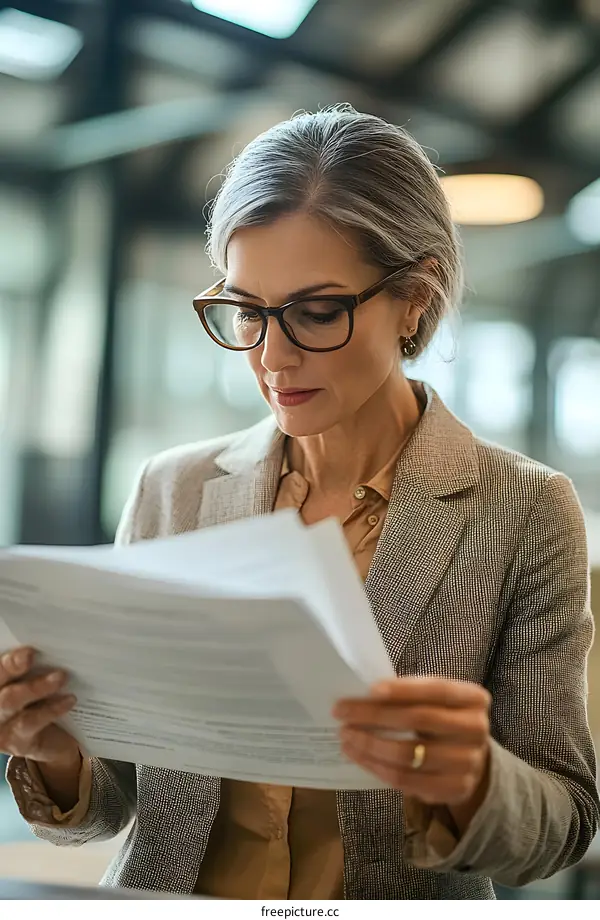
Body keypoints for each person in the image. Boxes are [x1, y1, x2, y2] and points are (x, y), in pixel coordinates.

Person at [1, 105, 598, 900]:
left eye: (317, 312)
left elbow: (566, 818)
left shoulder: (523, 509)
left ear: (414, 296)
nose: (273, 356)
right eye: (248, 311)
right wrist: (54, 749)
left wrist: (480, 782)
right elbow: (108, 806)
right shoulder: (173, 490)